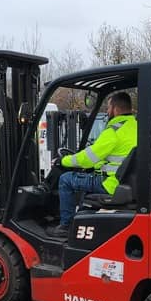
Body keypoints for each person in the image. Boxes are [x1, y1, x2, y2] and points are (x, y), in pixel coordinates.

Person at [46, 92, 137, 238]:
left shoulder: (114, 130)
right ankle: (81, 217)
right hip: (124, 181)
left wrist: (62, 161)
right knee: (84, 179)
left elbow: (88, 158)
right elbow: (114, 156)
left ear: (115, 109)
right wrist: (94, 165)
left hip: (110, 183)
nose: (107, 112)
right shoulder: (135, 126)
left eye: (108, 108)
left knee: (65, 179)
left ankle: (66, 226)